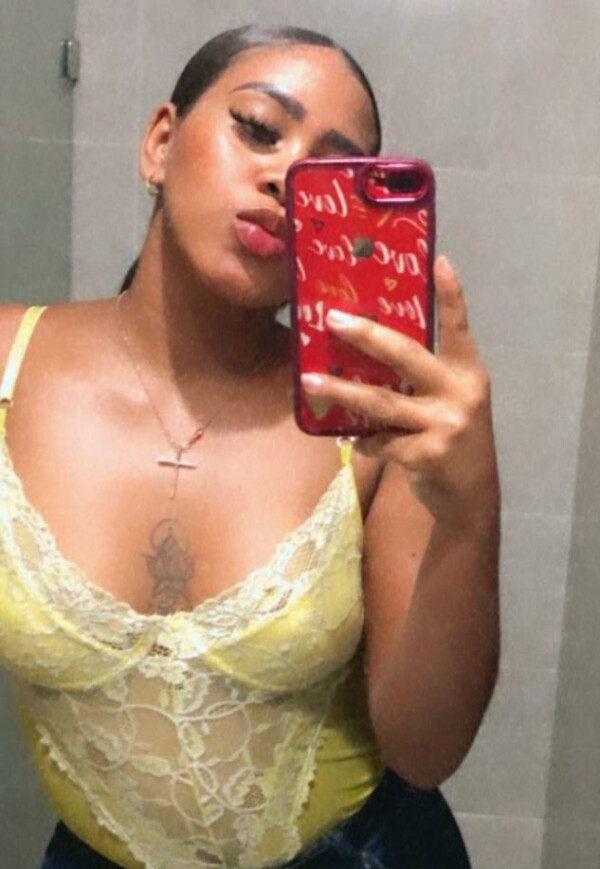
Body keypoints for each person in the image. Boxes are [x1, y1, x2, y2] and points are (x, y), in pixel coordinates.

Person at [0, 24, 500, 869]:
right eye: (260, 129)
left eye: (329, 174)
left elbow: (425, 750)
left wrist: (471, 513)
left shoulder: (375, 417)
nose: (286, 181)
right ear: (160, 142)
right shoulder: (8, 369)